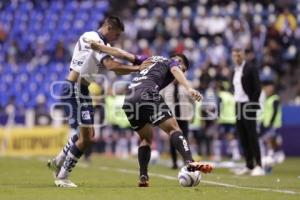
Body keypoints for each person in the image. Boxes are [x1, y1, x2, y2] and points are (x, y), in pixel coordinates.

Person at [86, 42, 213, 187]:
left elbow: (123, 54)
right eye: (183, 69)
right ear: (179, 62)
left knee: (146, 139)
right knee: (174, 129)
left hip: (129, 99)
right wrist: (189, 88)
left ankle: (143, 176)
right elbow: (176, 71)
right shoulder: (173, 62)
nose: (181, 71)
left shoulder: (150, 59)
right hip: (147, 93)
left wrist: (101, 48)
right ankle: (190, 162)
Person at [47, 16, 146, 187]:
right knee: (87, 138)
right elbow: (113, 66)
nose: (116, 39)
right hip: (75, 88)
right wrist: (137, 67)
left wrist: (135, 63)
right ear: (108, 28)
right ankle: (62, 177)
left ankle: (59, 161)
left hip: (81, 90)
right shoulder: (93, 39)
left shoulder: (98, 42)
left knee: (87, 135)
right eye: (116, 35)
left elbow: (115, 60)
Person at [231, 46, 264, 176]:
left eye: (239, 54)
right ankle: (249, 165)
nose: (237, 57)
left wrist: (252, 104)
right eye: (235, 55)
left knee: (252, 136)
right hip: (238, 106)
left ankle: (259, 165)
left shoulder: (251, 68)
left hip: (248, 104)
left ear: (243, 55)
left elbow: (257, 89)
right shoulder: (234, 70)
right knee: (243, 136)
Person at [160, 82, 193, 169]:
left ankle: (187, 161)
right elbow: (160, 101)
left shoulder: (187, 85)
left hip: (184, 117)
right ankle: (174, 162)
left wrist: (192, 115)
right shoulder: (165, 86)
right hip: (171, 118)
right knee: (173, 140)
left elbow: (192, 101)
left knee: (185, 139)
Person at [259, 81, 284, 165]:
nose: (268, 90)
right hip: (267, 123)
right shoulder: (267, 99)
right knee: (270, 139)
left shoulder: (275, 98)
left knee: (271, 138)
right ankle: (275, 154)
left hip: (273, 123)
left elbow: (275, 111)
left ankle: (273, 154)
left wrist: (271, 121)